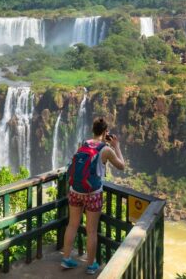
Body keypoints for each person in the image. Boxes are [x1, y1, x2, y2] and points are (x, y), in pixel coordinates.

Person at [61, 117, 125, 275]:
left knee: (72, 225)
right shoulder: (106, 149)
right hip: (93, 194)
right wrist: (116, 146)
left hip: (75, 191)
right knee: (91, 231)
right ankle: (91, 265)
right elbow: (121, 166)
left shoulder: (83, 144)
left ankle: (66, 258)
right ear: (105, 132)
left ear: (93, 130)